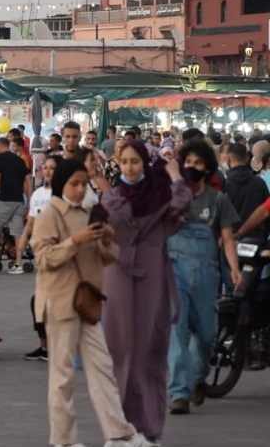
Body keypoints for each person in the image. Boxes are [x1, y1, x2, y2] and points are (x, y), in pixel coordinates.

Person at [32, 158, 148, 447]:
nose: (80, 189)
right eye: (74, 184)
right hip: (60, 302)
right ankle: (63, 440)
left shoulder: (88, 212)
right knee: (62, 376)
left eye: (84, 184)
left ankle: (119, 434)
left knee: (103, 367)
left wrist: (106, 238)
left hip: (88, 302)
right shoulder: (49, 214)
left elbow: (108, 257)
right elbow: (44, 258)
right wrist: (76, 241)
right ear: (61, 184)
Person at [102, 140, 191, 444]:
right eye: (124, 161)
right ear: (118, 163)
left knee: (150, 350)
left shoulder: (161, 195)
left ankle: (149, 427)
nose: (129, 167)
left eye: (135, 161)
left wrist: (174, 172)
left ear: (144, 163)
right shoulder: (111, 197)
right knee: (120, 350)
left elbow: (182, 200)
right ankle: (120, 426)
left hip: (153, 274)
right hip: (117, 277)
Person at [167, 139, 241, 416]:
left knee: (207, 335)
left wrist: (233, 269)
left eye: (199, 164)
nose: (193, 167)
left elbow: (227, 237)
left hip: (207, 274)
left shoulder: (218, 199)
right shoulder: (172, 194)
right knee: (178, 332)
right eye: (189, 162)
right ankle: (178, 393)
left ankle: (198, 376)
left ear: (208, 168)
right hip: (174, 270)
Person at [21, 155, 62, 362]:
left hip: (61, 256)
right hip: (42, 255)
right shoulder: (38, 194)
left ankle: (60, 346)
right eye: (45, 168)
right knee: (37, 302)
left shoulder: (65, 193)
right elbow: (31, 221)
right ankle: (44, 346)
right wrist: (23, 240)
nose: (47, 172)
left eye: (52, 168)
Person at [0, 137, 31, 274]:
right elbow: (27, 182)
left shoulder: (0, 159)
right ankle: (18, 263)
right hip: (19, 200)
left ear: (0, 146)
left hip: (5, 200)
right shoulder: (19, 160)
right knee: (18, 233)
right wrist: (29, 201)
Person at [225, 142, 269, 242]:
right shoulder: (260, 182)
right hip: (257, 238)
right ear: (247, 158)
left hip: (230, 239)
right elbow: (266, 212)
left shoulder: (225, 184)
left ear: (228, 159)